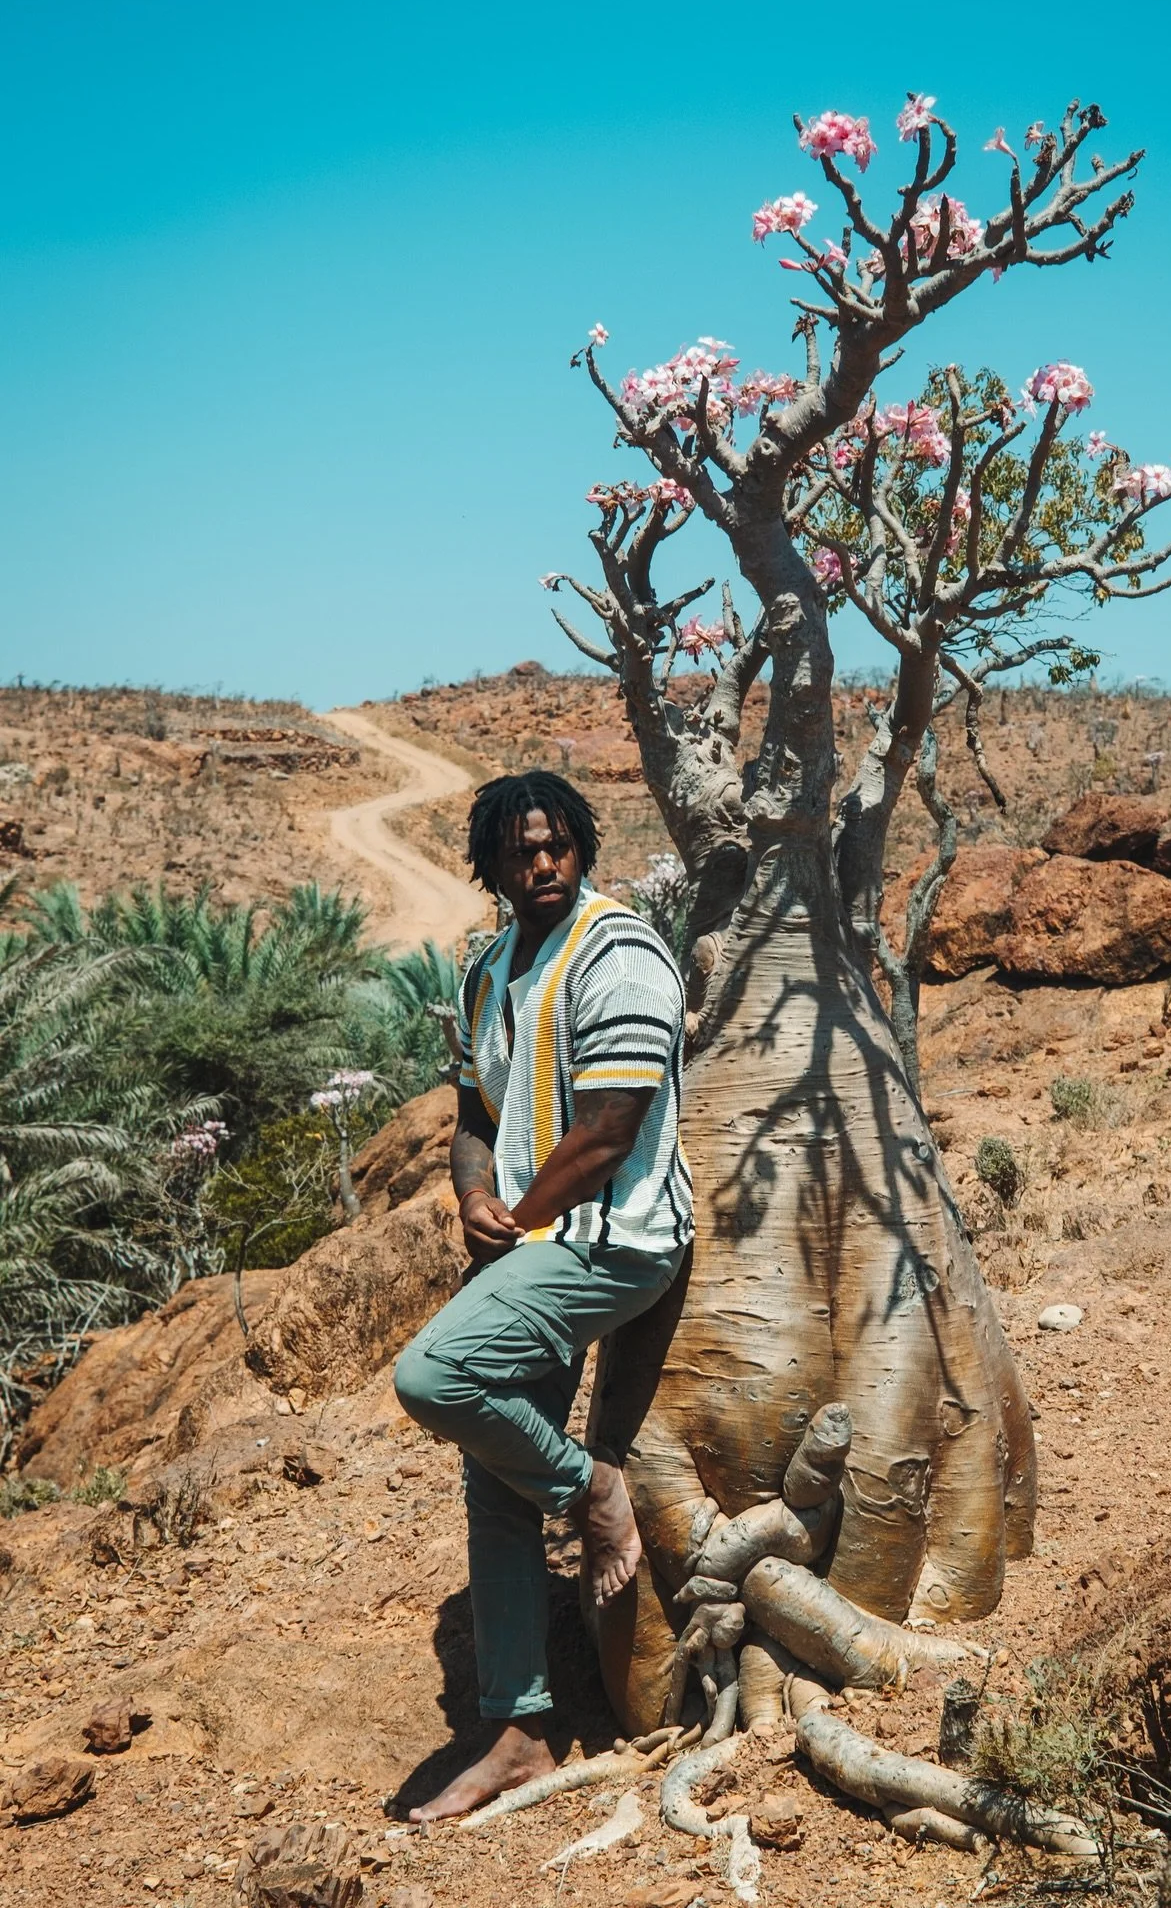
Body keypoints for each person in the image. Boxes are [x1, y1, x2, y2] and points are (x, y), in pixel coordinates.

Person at [393, 770, 692, 1821]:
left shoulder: (620, 951)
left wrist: (517, 1216)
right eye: (522, 850)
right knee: (490, 1475)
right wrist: (474, 1190)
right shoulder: (488, 967)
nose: (544, 863)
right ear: (492, 865)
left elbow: (611, 1131)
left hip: (617, 1241)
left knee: (432, 1373)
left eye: (559, 843)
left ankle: (591, 1491)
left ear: (584, 845)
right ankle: (520, 1731)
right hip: (533, 1245)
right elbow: (472, 1104)